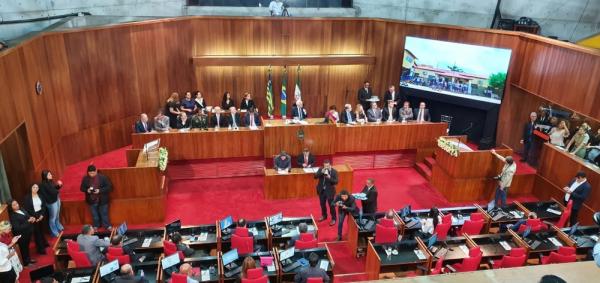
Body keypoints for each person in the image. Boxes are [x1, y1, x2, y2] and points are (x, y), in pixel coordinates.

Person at [80, 165, 113, 231]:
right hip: (91, 200)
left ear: (96, 171)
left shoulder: (103, 178)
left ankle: (107, 226)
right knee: (94, 215)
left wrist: (99, 190)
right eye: (90, 173)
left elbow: (109, 187)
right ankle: (96, 226)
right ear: (87, 172)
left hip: (102, 200)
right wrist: (87, 190)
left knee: (104, 214)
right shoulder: (85, 178)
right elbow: (81, 188)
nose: (91, 174)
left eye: (93, 173)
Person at [22, 184, 49, 254]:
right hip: (33, 216)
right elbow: (28, 209)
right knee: (37, 233)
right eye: (34, 187)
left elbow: (43, 206)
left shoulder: (40, 196)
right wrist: (36, 217)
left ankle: (44, 243)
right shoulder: (27, 198)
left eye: (37, 187)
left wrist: (42, 215)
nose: (35, 189)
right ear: (31, 188)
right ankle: (41, 249)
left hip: (41, 215)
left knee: (41, 230)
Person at [8, 199, 35, 265]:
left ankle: (28, 259)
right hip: (22, 235)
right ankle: (26, 263)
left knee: (26, 247)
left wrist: (32, 218)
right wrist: (28, 221)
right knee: (23, 249)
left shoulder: (21, 209)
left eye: (17, 203)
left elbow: (27, 216)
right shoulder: (13, 216)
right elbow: (17, 228)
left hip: (28, 232)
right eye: (14, 205)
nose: (17, 205)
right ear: (11, 207)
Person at [39, 170, 64, 237]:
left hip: (56, 199)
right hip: (51, 202)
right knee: (52, 218)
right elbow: (51, 193)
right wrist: (56, 190)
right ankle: (54, 232)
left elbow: (55, 189)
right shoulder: (43, 185)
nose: (51, 175)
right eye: (49, 175)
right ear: (45, 176)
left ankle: (58, 226)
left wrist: (59, 185)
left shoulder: (50, 181)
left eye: (51, 174)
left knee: (57, 215)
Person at [314, 160, 338, 226]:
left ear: (330, 165)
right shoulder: (321, 169)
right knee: (322, 204)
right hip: (321, 190)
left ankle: (334, 218)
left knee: (331, 206)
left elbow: (336, 182)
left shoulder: (334, 172)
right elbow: (315, 176)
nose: (326, 167)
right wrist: (321, 172)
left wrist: (330, 178)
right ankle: (324, 216)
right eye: (325, 166)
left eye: (327, 166)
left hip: (330, 192)